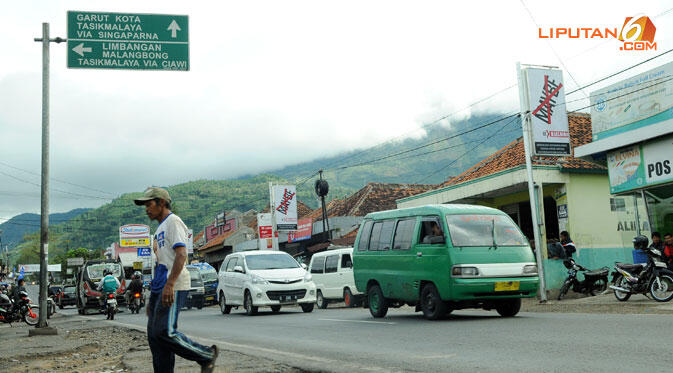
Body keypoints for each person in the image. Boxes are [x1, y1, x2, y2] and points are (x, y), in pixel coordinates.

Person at [134, 187, 217, 373]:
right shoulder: (160, 228)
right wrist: (153, 296)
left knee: (165, 332)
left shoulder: (173, 222)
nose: (146, 209)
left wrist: (170, 284)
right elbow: (163, 262)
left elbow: (181, 255)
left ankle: (206, 355)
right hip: (161, 287)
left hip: (175, 284)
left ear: (161, 203)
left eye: (149, 204)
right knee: (155, 337)